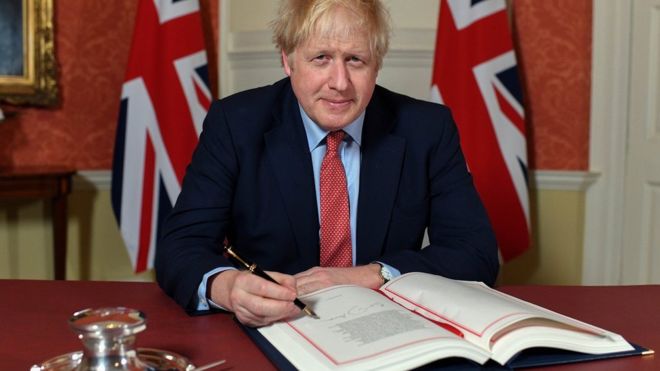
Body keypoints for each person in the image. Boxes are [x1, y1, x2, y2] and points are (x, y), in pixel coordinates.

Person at [156, 0, 499, 327]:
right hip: (274, 330)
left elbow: (474, 253)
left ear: (377, 63)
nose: (340, 83)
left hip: (387, 332)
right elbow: (180, 247)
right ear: (288, 61)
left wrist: (370, 275)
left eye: (355, 60)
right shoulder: (235, 124)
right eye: (321, 58)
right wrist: (228, 288)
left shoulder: (427, 129)